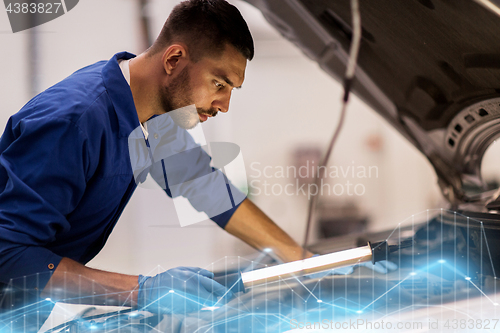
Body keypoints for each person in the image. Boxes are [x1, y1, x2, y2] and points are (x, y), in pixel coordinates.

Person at [0, 0, 313, 319]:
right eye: (219, 84)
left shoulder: (152, 118)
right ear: (174, 59)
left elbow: (208, 188)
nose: (224, 105)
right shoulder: (75, 122)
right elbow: (8, 254)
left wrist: (300, 258)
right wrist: (142, 291)